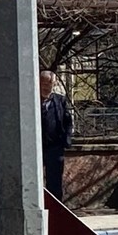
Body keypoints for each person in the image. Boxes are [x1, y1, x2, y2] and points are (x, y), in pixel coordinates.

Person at [40, 70, 74, 201]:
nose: (46, 87)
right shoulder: (31, 100)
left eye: (50, 83)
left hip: (55, 146)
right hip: (35, 147)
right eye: (44, 83)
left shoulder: (59, 101)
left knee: (55, 181)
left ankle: (56, 207)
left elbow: (67, 121)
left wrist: (67, 139)